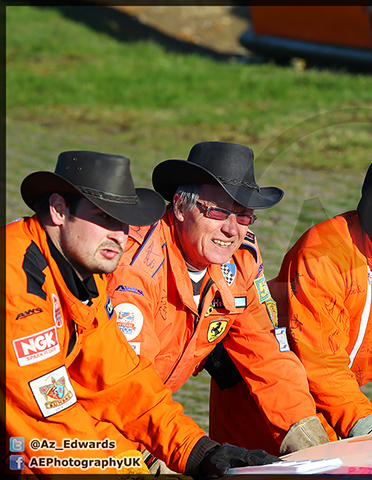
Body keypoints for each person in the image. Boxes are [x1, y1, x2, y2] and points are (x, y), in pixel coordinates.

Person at [4, 150, 279, 477]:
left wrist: (197, 450)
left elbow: (120, 378)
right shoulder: (18, 281)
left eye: (123, 221)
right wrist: (125, 467)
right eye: (103, 216)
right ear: (59, 210)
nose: (118, 236)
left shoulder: (83, 275)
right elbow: (45, 415)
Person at [209, 139, 372, 443]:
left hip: (337, 395)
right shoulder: (326, 255)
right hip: (262, 392)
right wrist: (364, 423)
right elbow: (319, 359)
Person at [104, 141, 329, 463]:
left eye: (244, 217)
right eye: (219, 212)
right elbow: (124, 380)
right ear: (180, 207)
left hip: (150, 415)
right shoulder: (135, 265)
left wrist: (306, 432)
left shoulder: (240, 261)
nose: (231, 229)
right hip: (90, 417)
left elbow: (266, 353)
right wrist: (158, 453)